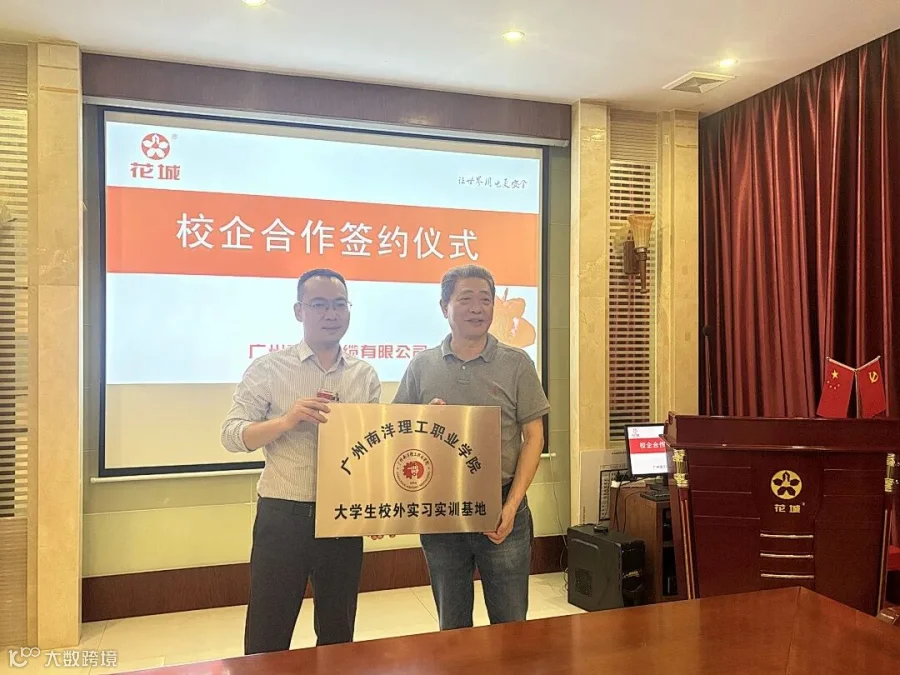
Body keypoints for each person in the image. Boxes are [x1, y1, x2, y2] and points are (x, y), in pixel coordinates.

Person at [221, 268, 380, 654]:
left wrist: (374, 510)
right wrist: (286, 421)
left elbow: (372, 448)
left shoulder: (364, 375)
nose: (331, 313)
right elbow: (232, 435)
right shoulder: (269, 368)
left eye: (339, 304)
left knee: (338, 632)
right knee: (268, 631)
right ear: (299, 311)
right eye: (319, 304)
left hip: (342, 518)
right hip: (283, 514)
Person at [393, 264, 550, 629]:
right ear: (444, 307)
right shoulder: (421, 365)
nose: (477, 308)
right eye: (465, 299)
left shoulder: (517, 363)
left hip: (502, 507)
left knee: (511, 622)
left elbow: (534, 437)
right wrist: (423, 421)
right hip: (440, 510)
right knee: (452, 624)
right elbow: (399, 435)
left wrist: (511, 507)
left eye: (485, 299)